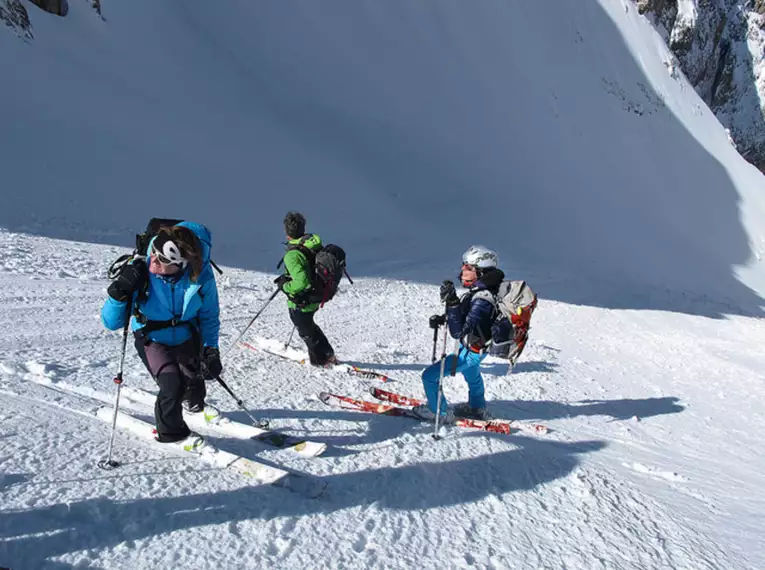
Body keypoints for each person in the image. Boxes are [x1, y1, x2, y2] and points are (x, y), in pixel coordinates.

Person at [101, 222, 222, 443]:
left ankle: (193, 403)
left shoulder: (201, 275)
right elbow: (111, 322)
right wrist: (118, 294)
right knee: (172, 385)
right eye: (154, 253)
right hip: (152, 336)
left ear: (182, 264)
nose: (153, 260)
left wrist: (211, 349)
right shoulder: (140, 272)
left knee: (195, 375)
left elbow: (209, 315)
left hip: (186, 333)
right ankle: (172, 433)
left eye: (163, 260)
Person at [413, 245, 511, 422]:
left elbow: (458, 332)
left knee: (429, 376)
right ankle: (477, 407)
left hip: (471, 351)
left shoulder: (482, 300)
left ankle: (439, 412)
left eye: (468, 267)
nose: (462, 270)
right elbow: (468, 319)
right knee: (472, 375)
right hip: (479, 349)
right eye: (463, 265)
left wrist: (451, 302)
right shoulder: (486, 290)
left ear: (481, 272)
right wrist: (445, 316)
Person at [274, 212, 337, 367]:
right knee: (309, 326)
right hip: (317, 295)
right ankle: (327, 354)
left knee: (306, 331)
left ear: (286, 231)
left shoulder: (292, 254)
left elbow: (301, 282)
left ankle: (322, 361)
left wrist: (285, 286)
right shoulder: (311, 244)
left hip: (303, 300)